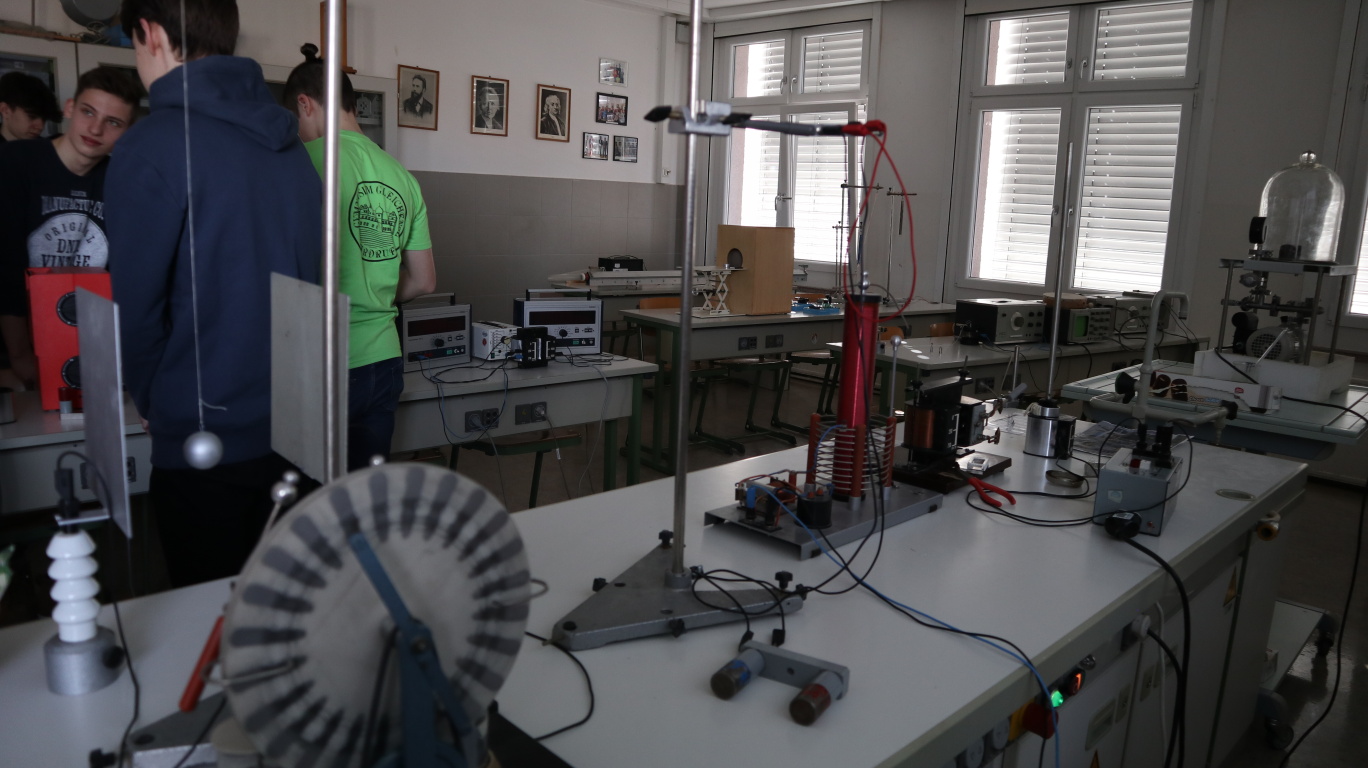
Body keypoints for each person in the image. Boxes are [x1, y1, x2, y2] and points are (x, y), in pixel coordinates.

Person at [107, 0, 322, 587]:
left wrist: (157, 400)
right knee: (292, 611)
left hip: (205, 438)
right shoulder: (292, 152)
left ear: (150, 33)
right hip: (299, 432)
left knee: (210, 619)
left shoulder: (151, 146)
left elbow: (135, 311)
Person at [284, 44, 435, 471]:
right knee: (364, 495)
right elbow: (424, 281)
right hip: (384, 360)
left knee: (313, 498)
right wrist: (376, 290)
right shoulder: (402, 176)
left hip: (322, 360)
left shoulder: (299, 163)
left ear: (305, 104)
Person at [0, 66, 139, 391]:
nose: (96, 128)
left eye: (113, 122)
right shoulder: (16, 160)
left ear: (126, 132)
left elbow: (126, 273)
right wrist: (19, 354)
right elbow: (5, 263)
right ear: (70, 108)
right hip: (15, 345)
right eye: (88, 112)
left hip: (91, 347)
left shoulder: (123, 179)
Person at [0, 71, 60, 143]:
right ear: (5, 110)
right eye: (32, 116)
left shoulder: (46, 147)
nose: (40, 127)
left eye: (44, 119)